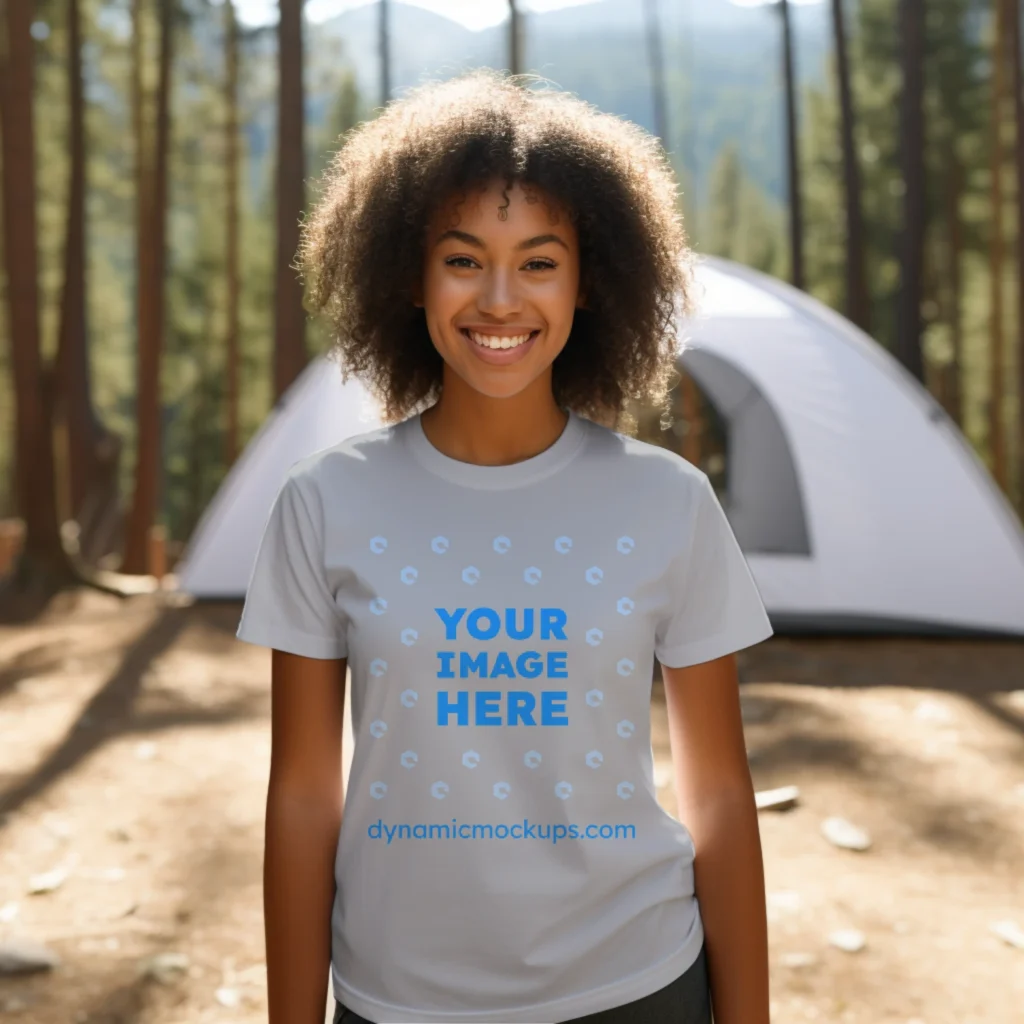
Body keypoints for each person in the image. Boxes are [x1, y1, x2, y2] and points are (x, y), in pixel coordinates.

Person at [237, 69, 774, 1024]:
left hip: (637, 984)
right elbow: (302, 798)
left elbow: (722, 795)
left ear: (586, 281)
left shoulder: (669, 502)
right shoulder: (325, 502)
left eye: (537, 261)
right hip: (398, 999)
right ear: (407, 273)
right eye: (460, 259)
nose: (498, 299)